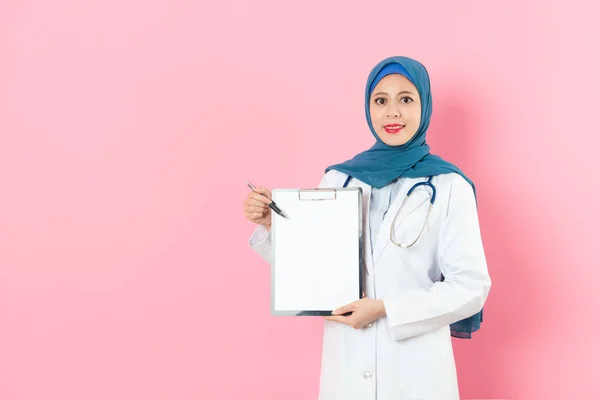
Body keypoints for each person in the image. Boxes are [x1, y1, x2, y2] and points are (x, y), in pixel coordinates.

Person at [243, 56, 491, 400]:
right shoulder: (339, 179)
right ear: (368, 108)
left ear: (424, 105)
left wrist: (386, 309)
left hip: (417, 372)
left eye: (406, 99)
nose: (392, 112)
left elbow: (470, 287)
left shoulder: (450, 185)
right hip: (347, 369)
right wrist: (272, 225)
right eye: (380, 100)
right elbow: (314, 269)